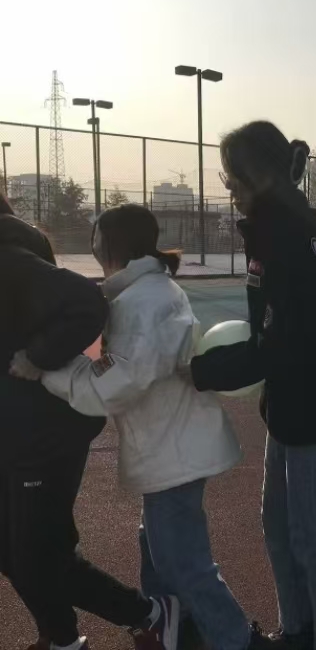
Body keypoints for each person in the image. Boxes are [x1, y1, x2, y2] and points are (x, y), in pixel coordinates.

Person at [12, 204, 269, 650]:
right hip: (166, 448)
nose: (92, 246)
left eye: (95, 237)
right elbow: (112, 364)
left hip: (174, 452)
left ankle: (234, 640)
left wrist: (45, 371)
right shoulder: (138, 295)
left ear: (109, 244)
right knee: (157, 549)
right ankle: (174, 631)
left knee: (182, 562)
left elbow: (119, 380)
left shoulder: (148, 301)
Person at [189, 121, 316, 650]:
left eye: (232, 174)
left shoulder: (288, 246)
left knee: (315, 538)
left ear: (258, 175)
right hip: (291, 407)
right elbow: (272, 341)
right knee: (278, 527)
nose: (228, 184)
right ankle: (300, 629)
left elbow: (276, 346)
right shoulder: (270, 237)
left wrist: (198, 371)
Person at [1, 197, 176, 650]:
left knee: (37, 556)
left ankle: (147, 615)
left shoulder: (8, 255)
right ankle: (65, 636)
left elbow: (86, 302)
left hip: (43, 432)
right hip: (16, 430)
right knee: (17, 549)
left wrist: (39, 357)